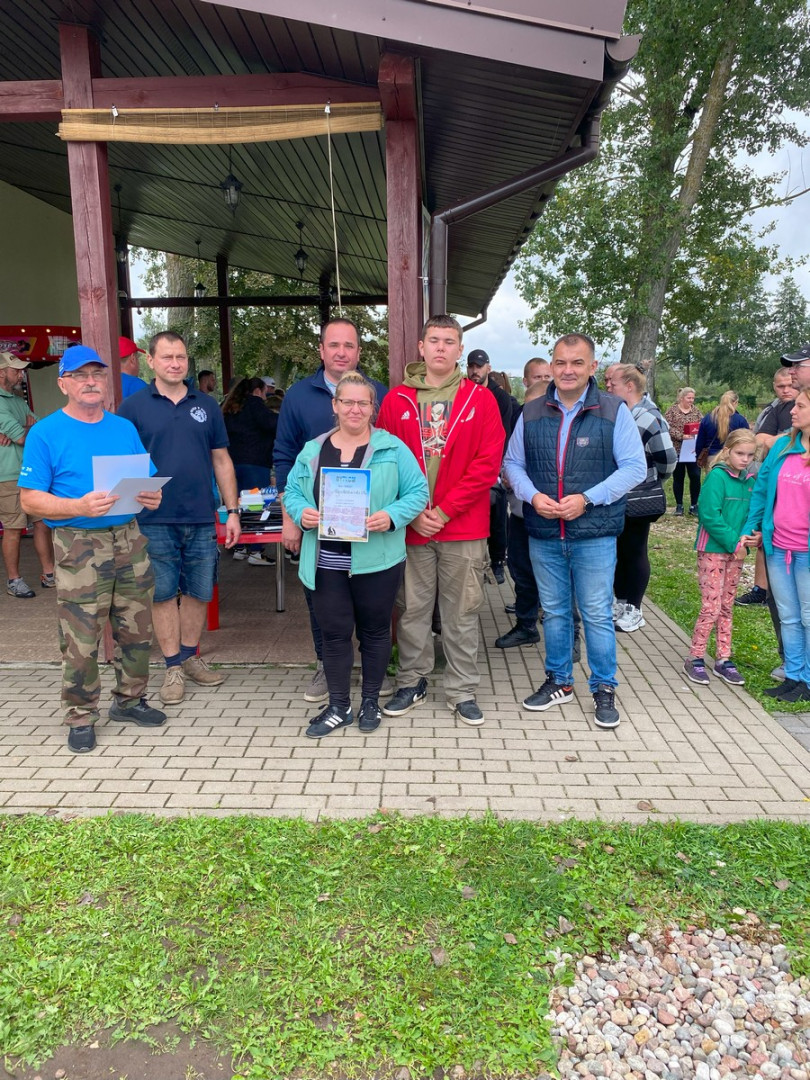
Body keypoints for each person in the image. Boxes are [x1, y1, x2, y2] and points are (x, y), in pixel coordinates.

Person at [17, 345, 166, 753]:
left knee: (136, 628)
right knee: (81, 635)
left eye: (97, 374)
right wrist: (78, 506)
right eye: (80, 375)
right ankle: (81, 715)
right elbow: (29, 500)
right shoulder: (46, 433)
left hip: (129, 537)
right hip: (78, 542)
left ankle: (130, 700)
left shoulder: (123, 428)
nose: (90, 382)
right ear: (63, 383)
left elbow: (146, 481)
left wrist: (151, 496)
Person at [504, 333, 646, 729]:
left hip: (594, 533)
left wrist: (588, 499)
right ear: (552, 365)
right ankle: (559, 681)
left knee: (597, 613)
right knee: (554, 611)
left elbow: (634, 468)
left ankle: (603, 687)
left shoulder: (614, 410)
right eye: (561, 362)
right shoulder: (531, 412)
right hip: (544, 531)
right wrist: (532, 496)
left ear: (592, 367)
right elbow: (512, 463)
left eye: (577, 362)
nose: (568, 370)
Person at [284, 372, 428, 737]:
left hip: (376, 559)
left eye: (363, 403)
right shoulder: (313, 450)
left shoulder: (392, 449)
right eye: (347, 401)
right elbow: (292, 491)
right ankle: (338, 707)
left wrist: (391, 516)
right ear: (334, 405)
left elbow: (418, 492)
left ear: (372, 408)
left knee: (375, 632)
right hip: (326, 561)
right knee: (334, 634)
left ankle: (369, 702)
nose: (354, 409)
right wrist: (301, 513)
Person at [377, 315, 504, 726]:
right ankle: (411, 681)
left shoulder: (480, 400)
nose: (440, 348)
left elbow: (487, 464)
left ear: (459, 350)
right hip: (412, 528)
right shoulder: (396, 400)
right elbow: (385, 464)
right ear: (421, 346)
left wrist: (446, 510)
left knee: (462, 612)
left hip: (463, 526)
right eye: (434, 340)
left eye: (449, 341)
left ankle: (462, 689)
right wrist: (411, 514)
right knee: (412, 609)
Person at [118, 332, 241, 705]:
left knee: (199, 591)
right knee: (163, 594)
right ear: (151, 361)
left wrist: (233, 511)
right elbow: (123, 464)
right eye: (167, 357)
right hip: (153, 519)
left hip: (201, 514)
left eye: (181, 357)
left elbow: (221, 459)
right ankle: (172, 666)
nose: (175, 363)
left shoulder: (206, 404)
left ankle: (190, 657)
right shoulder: (132, 407)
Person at [274, 318, 387, 703]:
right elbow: (284, 456)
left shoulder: (378, 393)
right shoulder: (298, 396)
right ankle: (326, 664)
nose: (341, 352)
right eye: (334, 345)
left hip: (370, 525)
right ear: (321, 350)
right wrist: (290, 516)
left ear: (359, 351)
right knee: (321, 599)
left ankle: (372, 668)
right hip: (316, 524)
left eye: (349, 345)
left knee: (371, 600)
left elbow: (393, 452)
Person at [742, 386, 810, 703]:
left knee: (808, 615)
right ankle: (793, 676)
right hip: (779, 547)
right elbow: (761, 490)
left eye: (800, 406)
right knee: (788, 615)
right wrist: (751, 527)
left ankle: (807, 679)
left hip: (806, 552)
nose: (792, 411)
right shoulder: (783, 446)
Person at [682, 430, 758, 688]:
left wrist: (748, 538)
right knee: (711, 606)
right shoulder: (717, 477)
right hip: (713, 550)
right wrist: (734, 543)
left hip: (737, 551)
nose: (745, 459)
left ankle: (723, 658)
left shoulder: (749, 481)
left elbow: (751, 515)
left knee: (726, 605)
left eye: (750, 455)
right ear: (727, 451)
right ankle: (695, 657)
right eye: (740, 453)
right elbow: (709, 515)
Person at [611, 365, 676, 633]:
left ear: (629, 385)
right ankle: (620, 603)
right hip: (618, 495)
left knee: (635, 550)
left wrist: (651, 479)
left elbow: (668, 459)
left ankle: (635, 609)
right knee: (620, 550)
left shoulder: (648, 417)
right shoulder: (621, 413)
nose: (608, 386)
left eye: (613, 382)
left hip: (639, 498)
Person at [736, 369, 798, 607]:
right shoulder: (775, 409)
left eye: (789, 385)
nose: (786, 390)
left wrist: (776, 439)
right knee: (764, 531)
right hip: (773, 480)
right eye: (780, 386)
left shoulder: (799, 405)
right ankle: (761, 589)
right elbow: (760, 440)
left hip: (796, 485)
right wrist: (783, 438)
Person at [0, 352, 55, 598]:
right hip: (8, 475)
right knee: (13, 528)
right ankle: (14, 580)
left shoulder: (16, 399)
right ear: (1, 373)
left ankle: (49, 574)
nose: (21, 374)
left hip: (30, 471)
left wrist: (26, 429)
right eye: (16, 370)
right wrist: (26, 428)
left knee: (42, 522)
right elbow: (23, 436)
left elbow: (40, 428)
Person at [466, 348, 519, 584]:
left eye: (479, 366)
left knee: (497, 508)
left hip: (492, 464)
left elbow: (503, 435)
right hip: (466, 463)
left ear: (488, 367)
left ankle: (497, 560)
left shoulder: (501, 398)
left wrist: (496, 468)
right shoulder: (462, 393)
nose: (474, 371)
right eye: (471, 366)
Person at [222, 376, 278, 565]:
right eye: (264, 393)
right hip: (255, 464)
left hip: (232, 464)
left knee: (236, 506)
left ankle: (239, 547)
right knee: (256, 507)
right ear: (257, 391)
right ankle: (256, 551)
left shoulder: (229, 408)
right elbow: (273, 424)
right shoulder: (255, 404)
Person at [664, 387, 703, 517]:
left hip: (692, 450)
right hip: (677, 449)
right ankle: (679, 505)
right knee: (678, 477)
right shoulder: (672, 411)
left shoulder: (696, 411)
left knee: (695, 476)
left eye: (693, 398)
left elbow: (702, 425)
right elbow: (667, 427)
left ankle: (694, 505)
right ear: (681, 398)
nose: (691, 400)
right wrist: (681, 436)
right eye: (689, 398)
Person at [695, 390, 749, 467]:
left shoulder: (708, 418)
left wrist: (699, 456)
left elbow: (700, 442)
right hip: (733, 458)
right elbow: (747, 441)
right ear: (735, 403)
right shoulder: (740, 420)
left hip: (712, 458)